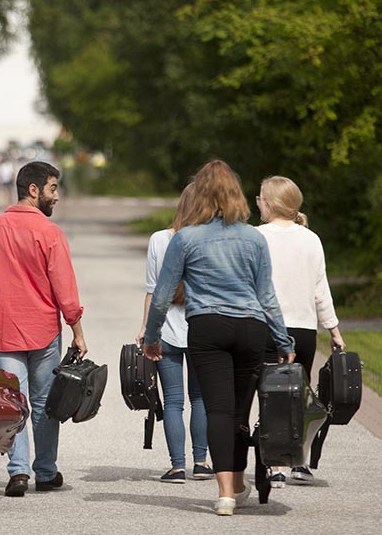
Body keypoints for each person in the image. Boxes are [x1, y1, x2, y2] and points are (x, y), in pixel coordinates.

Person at [143, 159, 294, 516]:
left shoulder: (185, 238)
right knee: (240, 410)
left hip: (207, 328)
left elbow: (162, 295)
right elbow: (266, 296)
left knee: (218, 410)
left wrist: (153, 338)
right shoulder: (253, 238)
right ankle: (239, 483)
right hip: (250, 328)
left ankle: (227, 491)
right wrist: (283, 341)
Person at [0, 160, 87, 498]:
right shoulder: (50, 233)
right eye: (52, 188)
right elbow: (65, 289)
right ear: (33, 190)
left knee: (12, 402)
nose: (57, 196)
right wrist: (77, 331)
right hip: (44, 333)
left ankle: (18, 472)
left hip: (4, 333)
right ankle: (45, 472)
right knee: (45, 402)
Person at [256, 175, 346, 487]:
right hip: (305, 330)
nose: (257, 203)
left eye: (260, 198)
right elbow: (321, 289)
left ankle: (274, 464)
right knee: (298, 396)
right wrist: (333, 329)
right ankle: (299, 463)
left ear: (270, 203)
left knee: (270, 396)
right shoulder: (311, 239)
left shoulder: (257, 237)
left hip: (268, 327)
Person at [136, 185, 213, 484]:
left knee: (173, 401)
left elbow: (153, 291)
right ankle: (202, 462)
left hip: (165, 331)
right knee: (200, 399)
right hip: (201, 329)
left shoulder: (159, 239)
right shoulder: (208, 242)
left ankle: (177, 467)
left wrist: (145, 328)